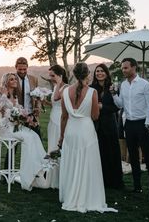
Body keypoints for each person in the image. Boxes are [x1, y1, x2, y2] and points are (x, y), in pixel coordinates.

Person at [59, 62, 117, 213]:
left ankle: (70, 194)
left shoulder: (65, 91)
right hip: (86, 130)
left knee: (72, 162)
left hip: (71, 130)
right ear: (87, 74)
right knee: (87, 163)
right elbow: (95, 116)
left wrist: (61, 136)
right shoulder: (92, 92)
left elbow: (64, 117)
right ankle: (86, 195)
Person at [111, 58, 149, 199]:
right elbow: (120, 105)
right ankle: (137, 188)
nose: (123, 70)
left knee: (148, 158)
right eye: (123, 68)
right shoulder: (123, 85)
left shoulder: (145, 85)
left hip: (143, 124)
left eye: (126, 68)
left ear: (134, 67)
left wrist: (147, 123)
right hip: (129, 124)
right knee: (133, 158)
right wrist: (113, 94)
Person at [0, 73, 48, 191]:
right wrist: (3, 95)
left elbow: (19, 112)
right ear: (6, 82)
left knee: (34, 135)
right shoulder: (1, 94)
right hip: (6, 128)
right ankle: (29, 175)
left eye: (15, 79)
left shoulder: (16, 96)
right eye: (11, 79)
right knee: (28, 138)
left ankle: (39, 168)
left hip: (15, 126)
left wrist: (28, 119)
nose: (15, 81)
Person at [91, 64, 124, 189]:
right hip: (96, 125)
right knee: (100, 153)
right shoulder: (91, 88)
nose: (99, 73)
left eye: (102, 71)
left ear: (106, 73)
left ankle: (115, 181)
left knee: (112, 152)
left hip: (110, 124)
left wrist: (102, 107)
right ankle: (102, 181)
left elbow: (117, 106)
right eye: (97, 71)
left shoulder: (113, 87)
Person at [15, 57, 41, 137]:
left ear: (27, 67)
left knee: (37, 138)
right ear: (16, 67)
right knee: (14, 143)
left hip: (31, 115)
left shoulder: (34, 79)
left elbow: (38, 97)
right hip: (16, 116)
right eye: (20, 69)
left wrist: (38, 108)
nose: (22, 71)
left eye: (24, 69)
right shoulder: (12, 79)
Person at [47, 65, 69, 153]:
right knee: (52, 140)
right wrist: (43, 101)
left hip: (60, 118)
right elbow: (54, 104)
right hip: (53, 117)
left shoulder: (66, 87)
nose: (51, 78)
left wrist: (59, 83)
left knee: (57, 140)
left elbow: (56, 98)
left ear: (60, 76)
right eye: (50, 76)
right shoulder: (56, 87)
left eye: (53, 76)